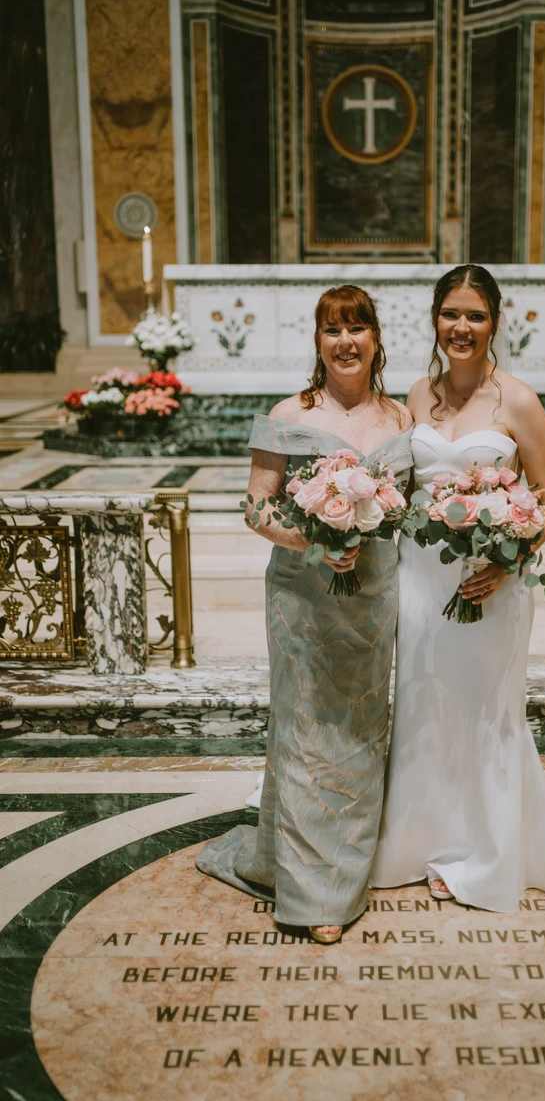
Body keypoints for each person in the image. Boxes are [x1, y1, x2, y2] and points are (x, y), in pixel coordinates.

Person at [197, 285, 412, 944]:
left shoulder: (401, 417)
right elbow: (258, 506)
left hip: (373, 596)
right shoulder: (288, 411)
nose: (346, 340)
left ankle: (337, 858)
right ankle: (317, 891)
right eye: (332, 329)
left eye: (358, 327)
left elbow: (411, 504)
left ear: (376, 337)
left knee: (360, 727)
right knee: (306, 728)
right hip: (302, 597)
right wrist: (314, 537)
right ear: (317, 340)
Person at [371, 264, 545, 911]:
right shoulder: (415, 395)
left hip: (492, 583)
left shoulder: (517, 400)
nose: (461, 327)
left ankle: (483, 855)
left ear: (495, 323)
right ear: (434, 319)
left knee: (485, 711)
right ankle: (421, 841)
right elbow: (399, 491)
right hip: (420, 579)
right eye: (451, 313)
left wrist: (508, 561)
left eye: (475, 316)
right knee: (426, 705)